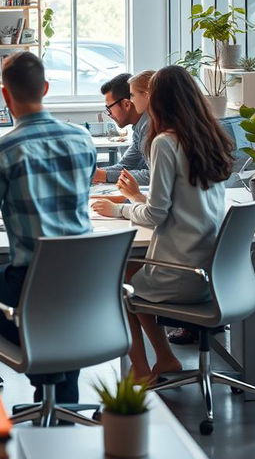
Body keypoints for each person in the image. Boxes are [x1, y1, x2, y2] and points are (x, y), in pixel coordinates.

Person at [0, 52, 95, 405]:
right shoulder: (82, 139)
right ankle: (58, 384)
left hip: (32, 278)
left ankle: (47, 367)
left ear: (4, 95)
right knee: (52, 318)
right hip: (86, 277)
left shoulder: (2, 151)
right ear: (45, 88)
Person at [91, 66, 233, 382]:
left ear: (156, 99)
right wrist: (137, 198)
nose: (134, 99)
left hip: (183, 275)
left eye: (139, 95)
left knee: (113, 281)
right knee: (130, 269)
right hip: (213, 274)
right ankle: (166, 358)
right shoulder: (208, 136)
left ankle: (141, 371)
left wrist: (118, 211)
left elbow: (156, 216)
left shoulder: (165, 142)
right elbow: (179, 206)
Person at [92, 72, 151, 186]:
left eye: (109, 108)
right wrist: (97, 173)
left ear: (126, 104)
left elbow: (152, 176)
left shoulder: (150, 127)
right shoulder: (139, 128)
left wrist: (103, 175)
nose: (108, 114)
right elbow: (126, 165)